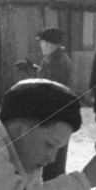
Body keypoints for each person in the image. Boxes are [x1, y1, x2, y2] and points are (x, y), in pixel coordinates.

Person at [34, 28, 72, 181]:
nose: (41, 47)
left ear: (50, 45)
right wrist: (34, 70)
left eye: (42, 44)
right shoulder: (57, 59)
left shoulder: (56, 62)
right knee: (54, 160)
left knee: (52, 163)